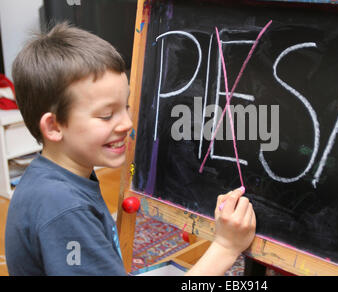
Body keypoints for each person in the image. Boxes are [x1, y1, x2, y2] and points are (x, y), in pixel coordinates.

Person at [5, 22, 256, 276]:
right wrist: (225, 247)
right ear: (54, 126)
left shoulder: (52, 178)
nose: (127, 124)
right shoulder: (65, 209)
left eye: (125, 106)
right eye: (106, 115)